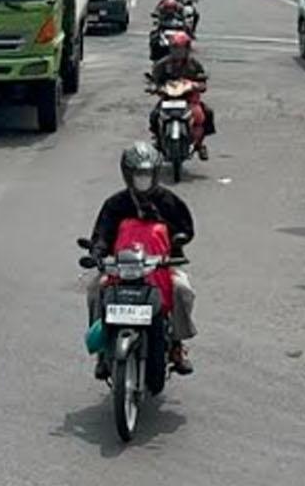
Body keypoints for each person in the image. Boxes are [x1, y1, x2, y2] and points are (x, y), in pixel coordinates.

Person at [91, 142, 198, 373]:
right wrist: (98, 252)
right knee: (95, 290)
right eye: (138, 175)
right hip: (121, 268)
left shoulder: (168, 201)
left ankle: (177, 345)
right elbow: (101, 234)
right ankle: (102, 350)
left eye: (147, 175)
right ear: (128, 175)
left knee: (182, 290)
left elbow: (186, 230)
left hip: (161, 266)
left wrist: (174, 236)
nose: (143, 180)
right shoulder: (115, 204)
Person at [146, 30, 214, 159]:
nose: (177, 52)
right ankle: (159, 141)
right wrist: (153, 87)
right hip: (168, 98)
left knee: (207, 113)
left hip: (189, 98)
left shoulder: (194, 64)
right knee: (154, 115)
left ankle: (199, 144)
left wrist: (199, 85)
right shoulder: (163, 64)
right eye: (174, 48)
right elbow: (154, 79)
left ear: (187, 49)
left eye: (180, 49)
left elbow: (202, 80)